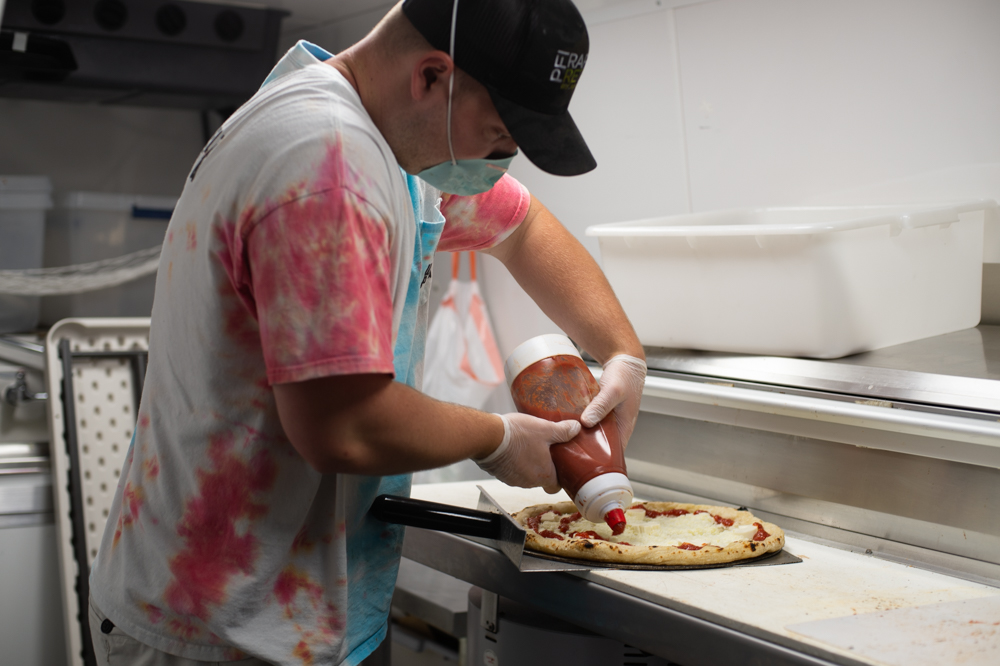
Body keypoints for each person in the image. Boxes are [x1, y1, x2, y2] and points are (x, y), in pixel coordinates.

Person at [87, 0, 646, 664]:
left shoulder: (383, 134)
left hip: (295, 610)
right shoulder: (327, 165)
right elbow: (343, 426)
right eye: (498, 136)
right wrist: (500, 439)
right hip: (223, 629)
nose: (503, 161)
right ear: (431, 76)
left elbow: (520, 227)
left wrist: (621, 352)